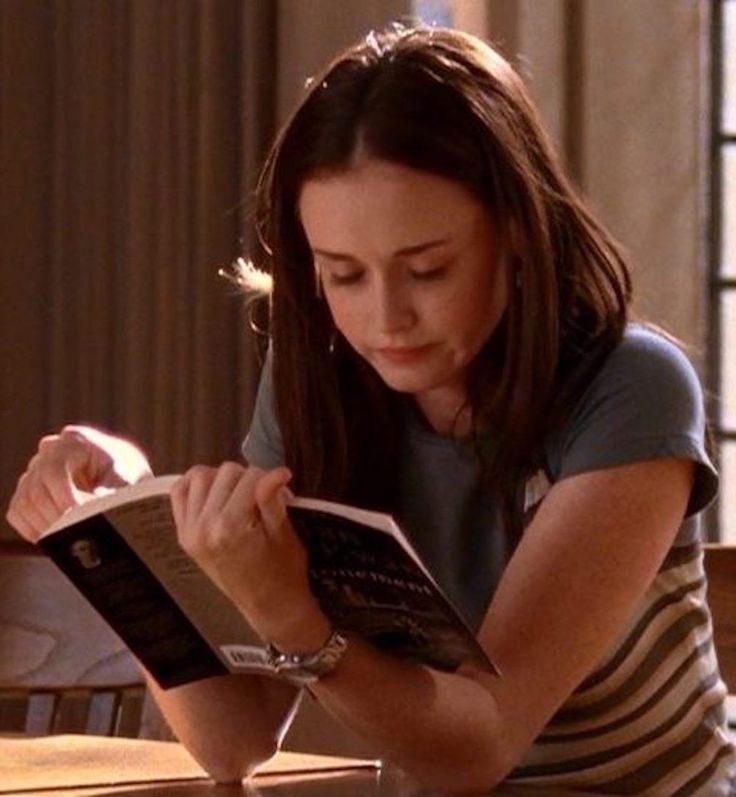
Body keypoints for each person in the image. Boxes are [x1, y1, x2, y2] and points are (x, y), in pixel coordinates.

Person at [6, 24, 735, 795]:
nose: (386, 318)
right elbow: (235, 740)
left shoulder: (628, 387)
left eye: (426, 268)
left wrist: (298, 620)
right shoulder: (321, 375)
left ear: (518, 231)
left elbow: (481, 745)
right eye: (343, 274)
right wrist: (126, 529)